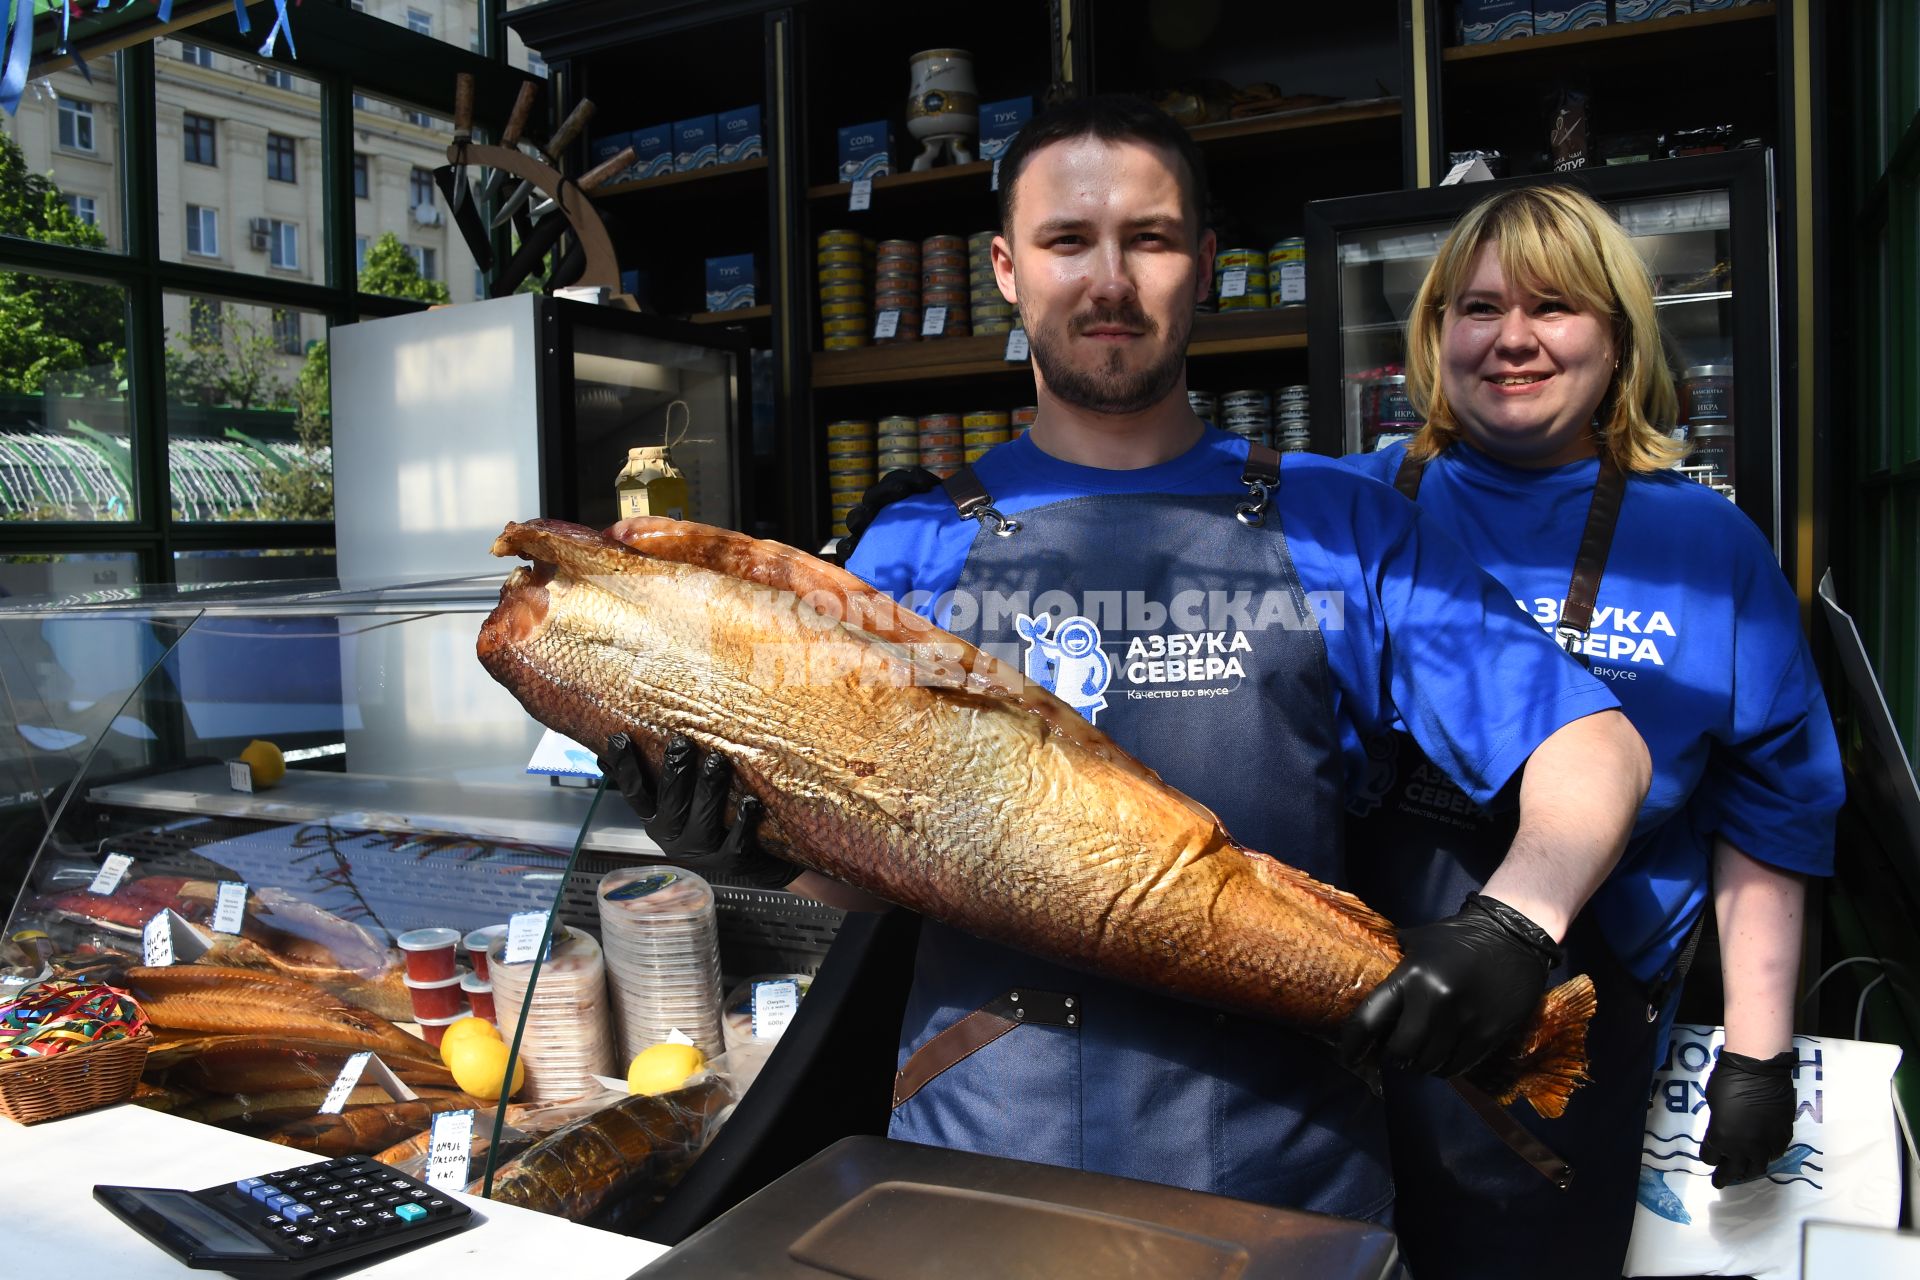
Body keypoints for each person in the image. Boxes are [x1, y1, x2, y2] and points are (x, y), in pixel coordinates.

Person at [604, 95, 1651, 1227]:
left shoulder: (1337, 523)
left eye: (1147, 239)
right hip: (985, 1163)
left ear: (1201, 264)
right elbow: (875, 865)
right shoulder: (911, 546)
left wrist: (1513, 923)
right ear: (1007, 268)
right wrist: (751, 852)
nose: (1109, 280)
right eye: (1068, 242)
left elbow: (1594, 745)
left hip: (1282, 1176)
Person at [1340, 184, 1844, 1278]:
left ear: (1617, 339)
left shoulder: (1706, 545)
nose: (1513, 338)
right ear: (1434, 337)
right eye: (1477, 309)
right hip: (1340, 1001)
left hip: (1574, 1028)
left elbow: (1774, 802)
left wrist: (1757, 1049)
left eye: (1555, 307)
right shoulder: (1351, 505)